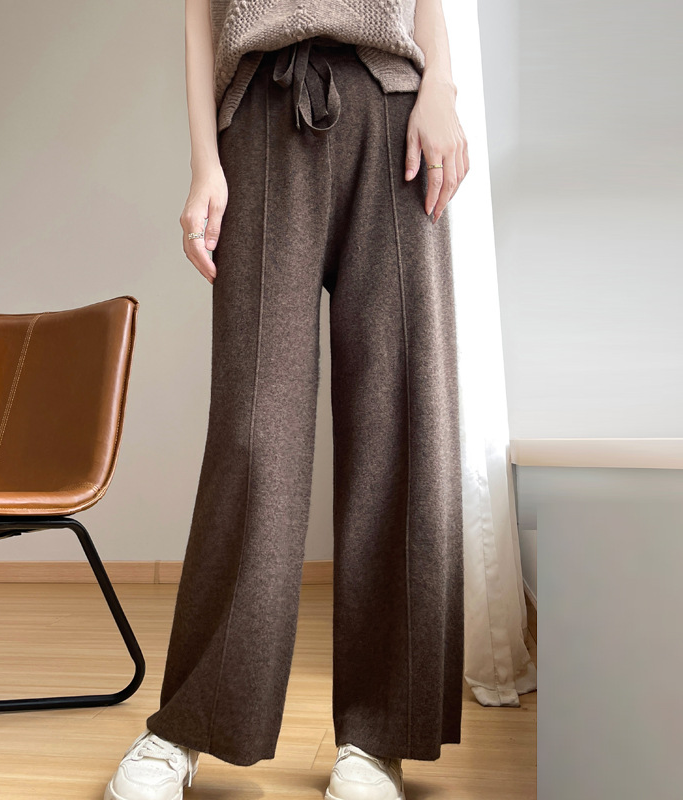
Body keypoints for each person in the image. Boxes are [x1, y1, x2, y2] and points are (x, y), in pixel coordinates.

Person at [104, 1, 468, 798]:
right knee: (253, 434)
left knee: (400, 423)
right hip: (262, 110)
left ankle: (376, 740)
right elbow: (200, 13)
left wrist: (440, 88)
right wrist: (204, 160)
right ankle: (190, 723)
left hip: (394, 110)